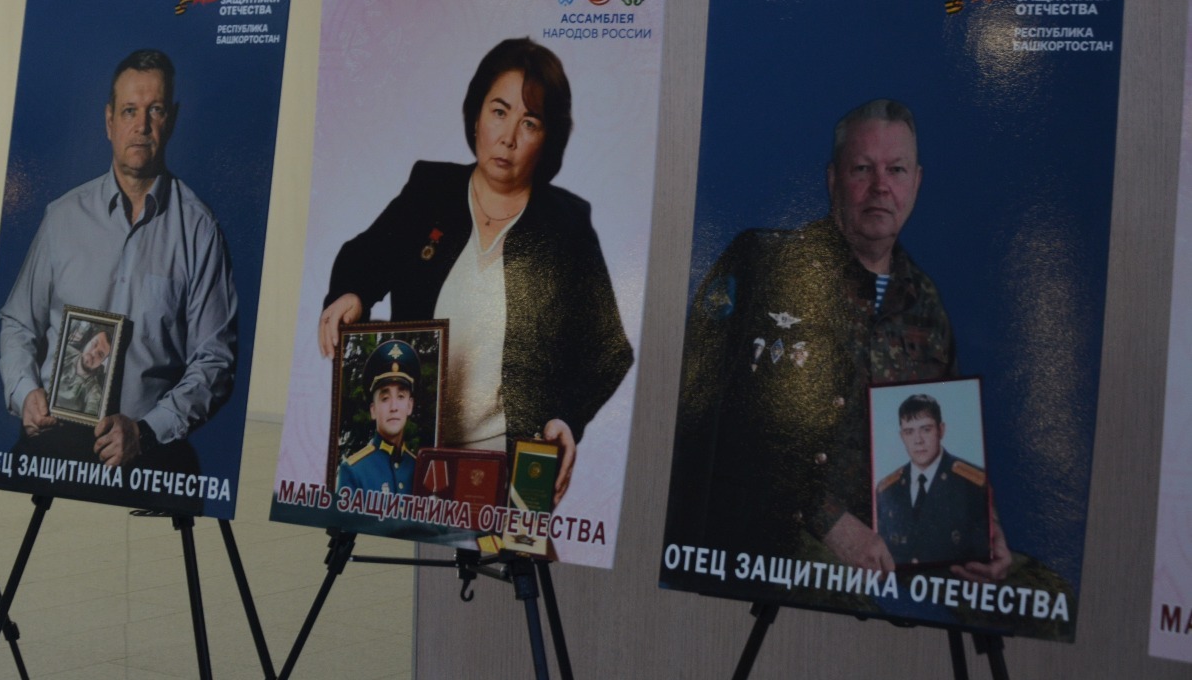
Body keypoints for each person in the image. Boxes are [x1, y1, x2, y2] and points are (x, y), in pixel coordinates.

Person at [665, 98, 1010, 584]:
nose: (881, 186)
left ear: (916, 183)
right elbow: (707, 416)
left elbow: (940, 429)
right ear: (833, 180)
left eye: (896, 170)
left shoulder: (924, 301)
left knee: (1040, 598)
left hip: (897, 535)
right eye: (863, 169)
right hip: (773, 534)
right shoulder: (764, 265)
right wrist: (831, 523)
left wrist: (979, 522)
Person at [319, 37, 632, 505]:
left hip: (512, 460)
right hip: (418, 452)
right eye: (499, 112)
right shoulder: (431, 189)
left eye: (530, 122)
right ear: (476, 115)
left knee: (511, 548)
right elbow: (367, 254)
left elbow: (608, 350)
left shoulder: (566, 225)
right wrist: (352, 292)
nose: (508, 137)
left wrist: (567, 417)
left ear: (548, 138)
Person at [0, 48, 237, 480]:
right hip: (53, 438)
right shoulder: (62, 218)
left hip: (146, 451)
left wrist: (147, 430)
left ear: (171, 120)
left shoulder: (199, 230)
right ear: (109, 121)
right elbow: (17, 322)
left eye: (155, 110)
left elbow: (214, 361)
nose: (141, 126)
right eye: (129, 111)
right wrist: (24, 391)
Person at [876, 394, 990, 566]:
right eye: (909, 432)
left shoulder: (973, 485)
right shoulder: (887, 489)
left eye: (926, 429)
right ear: (902, 436)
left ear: (941, 430)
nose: (918, 440)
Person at [337, 338, 421, 496]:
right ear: (373, 410)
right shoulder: (354, 471)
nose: (394, 407)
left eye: (401, 396)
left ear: (410, 406)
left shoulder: (419, 470)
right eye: (385, 398)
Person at [53, 324, 113, 418]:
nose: (93, 353)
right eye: (94, 344)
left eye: (100, 354)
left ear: (102, 362)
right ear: (88, 342)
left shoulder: (94, 392)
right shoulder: (63, 352)